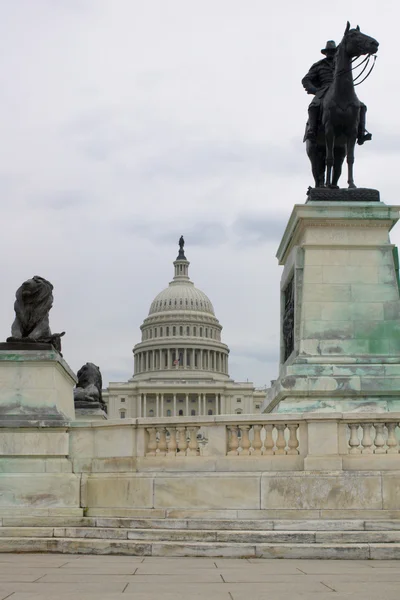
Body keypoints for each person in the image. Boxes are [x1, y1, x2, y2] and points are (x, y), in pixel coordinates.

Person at [302, 40, 371, 145]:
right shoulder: (318, 65)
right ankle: (312, 130)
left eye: (333, 51)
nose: (331, 53)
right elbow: (306, 79)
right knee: (313, 105)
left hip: (341, 89)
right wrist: (315, 90)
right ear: (325, 53)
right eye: (329, 51)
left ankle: (361, 133)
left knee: (361, 106)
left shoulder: (340, 63)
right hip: (324, 90)